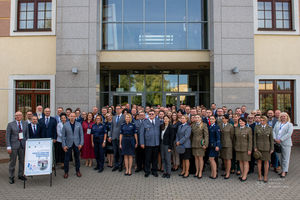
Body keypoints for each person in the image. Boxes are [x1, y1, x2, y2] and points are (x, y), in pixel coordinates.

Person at [6, 111, 28, 184]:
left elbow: (26, 135)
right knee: (13, 162)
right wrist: (8, 146)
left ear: (22, 116)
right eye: (17, 115)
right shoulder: (10, 124)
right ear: (15, 116)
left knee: (22, 161)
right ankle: (11, 177)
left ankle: (20, 175)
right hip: (13, 146)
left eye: (20, 115)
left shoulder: (25, 124)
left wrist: (27, 145)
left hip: (22, 145)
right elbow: (7, 136)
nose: (18, 116)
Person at [62, 113, 84, 179]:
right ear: (68, 117)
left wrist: (81, 144)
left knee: (77, 158)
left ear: (75, 117)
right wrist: (64, 145)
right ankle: (66, 172)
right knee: (66, 159)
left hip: (77, 144)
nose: (72, 117)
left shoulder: (79, 124)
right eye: (71, 116)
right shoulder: (65, 125)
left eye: (73, 116)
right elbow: (63, 136)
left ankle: (78, 171)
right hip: (68, 144)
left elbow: (81, 135)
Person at [140, 110, 161, 178]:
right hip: (148, 143)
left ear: (155, 115)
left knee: (155, 159)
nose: (151, 115)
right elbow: (141, 133)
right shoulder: (144, 122)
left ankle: (154, 171)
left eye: (152, 114)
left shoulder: (158, 121)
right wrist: (142, 143)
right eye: (150, 114)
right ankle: (147, 171)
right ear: (148, 115)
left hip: (156, 143)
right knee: (147, 159)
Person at [273, 112, 293, 178]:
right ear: (280, 117)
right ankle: (282, 170)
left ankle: (284, 171)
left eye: (284, 116)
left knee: (285, 158)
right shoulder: (277, 123)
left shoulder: (289, 124)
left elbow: (289, 134)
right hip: (277, 143)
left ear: (287, 117)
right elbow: (273, 131)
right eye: (282, 116)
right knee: (280, 158)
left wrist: (281, 139)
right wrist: (275, 138)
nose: (283, 117)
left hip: (286, 143)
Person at [254, 116, 274, 182]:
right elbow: (254, 138)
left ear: (266, 121)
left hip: (267, 148)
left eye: (263, 120)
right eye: (261, 120)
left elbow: (271, 139)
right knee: (259, 162)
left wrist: (272, 148)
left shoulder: (269, 128)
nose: (262, 122)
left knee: (266, 162)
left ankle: (265, 176)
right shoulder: (257, 127)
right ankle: (259, 175)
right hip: (259, 147)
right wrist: (255, 147)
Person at [234, 118, 252, 182]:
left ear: (245, 122)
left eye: (242, 121)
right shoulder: (236, 129)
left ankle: (245, 175)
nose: (241, 122)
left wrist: (249, 149)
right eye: (240, 121)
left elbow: (250, 140)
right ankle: (242, 174)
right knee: (240, 162)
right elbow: (234, 139)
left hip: (245, 148)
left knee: (245, 162)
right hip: (238, 148)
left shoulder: (248, 129)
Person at [191, 114, 208, 179]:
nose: (197, 118)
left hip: (201, 144)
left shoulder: (204, 125)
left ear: (200, 118)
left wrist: (205, 144)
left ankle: (200, 172)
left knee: (200, 158)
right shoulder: (193, 125)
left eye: (198, 117)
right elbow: (191, 135)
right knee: (196, 158)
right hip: (194, 144)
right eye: (196, 117)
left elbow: (206, 135)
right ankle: (197, 171)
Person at [109, 105, 125, 172]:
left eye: (119, 109)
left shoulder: (124, 117)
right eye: (116, 109)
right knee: (115, 152)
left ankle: (120, 166)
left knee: (120, 152)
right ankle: (116, 165)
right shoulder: (114, 117)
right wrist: (110, 136)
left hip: (121, 138)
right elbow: (111, 127)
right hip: (114, 137)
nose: (117, 110)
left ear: (121, 109)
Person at [220, 114, 234, 179]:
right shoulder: (220, 125)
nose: (223, 119)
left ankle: (228, 173)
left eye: (224, 118)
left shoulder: (230, 126)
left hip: (228, 144)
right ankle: (226, 171)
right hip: (222, 144)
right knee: (224, 158)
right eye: (222, 118)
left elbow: (232, 136)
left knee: (228, 159)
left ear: (227, 119)